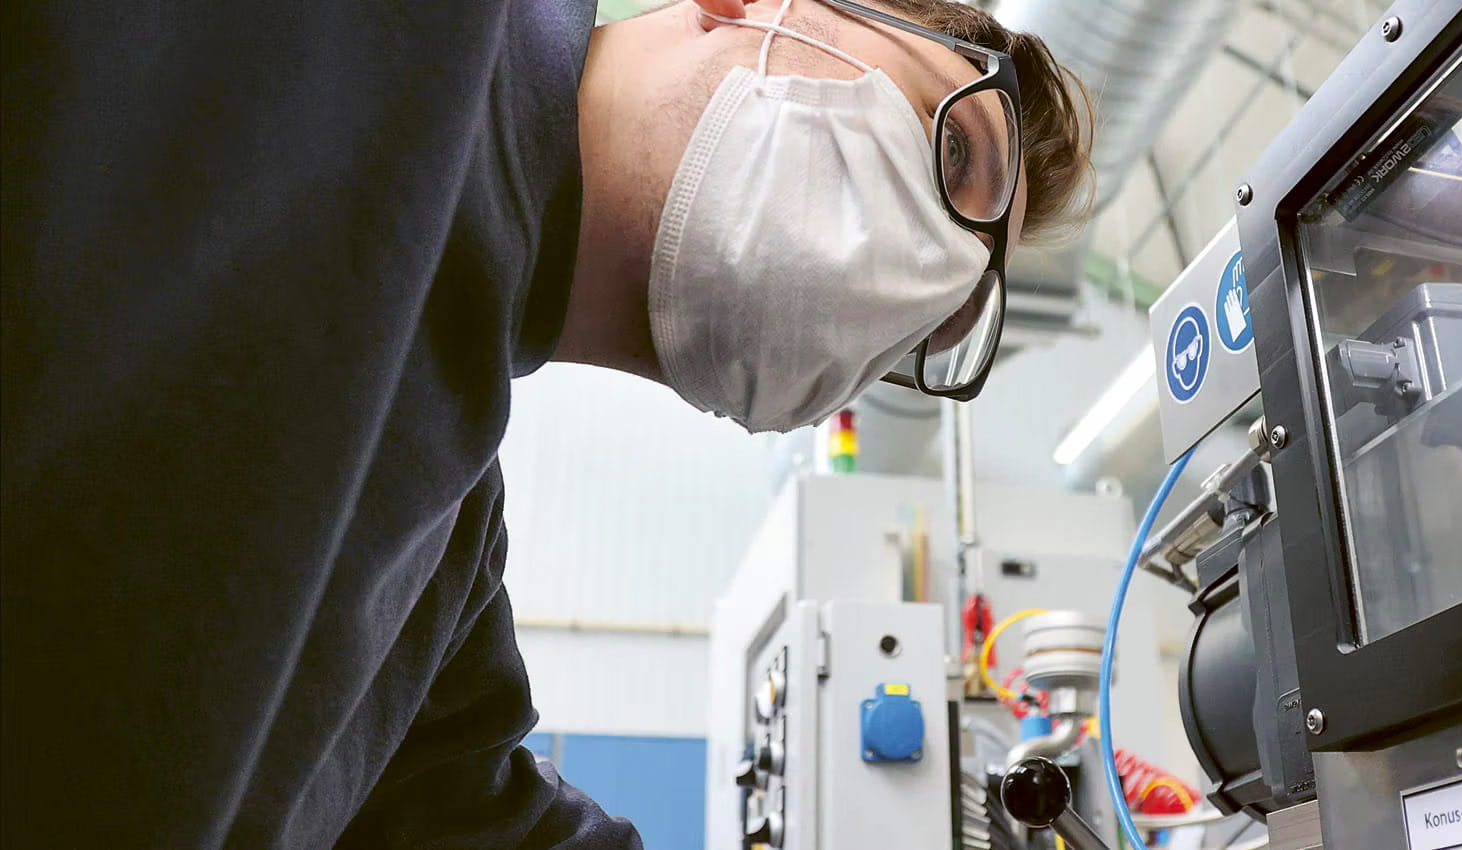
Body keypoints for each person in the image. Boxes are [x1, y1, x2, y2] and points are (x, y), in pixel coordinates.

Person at [0, 0, 1091, 845]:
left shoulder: (435, 564)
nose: (923, 275)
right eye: (958, 157)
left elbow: (461, 816)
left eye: (934, 325)